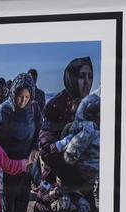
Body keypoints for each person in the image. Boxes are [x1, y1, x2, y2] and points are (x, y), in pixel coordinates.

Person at [39, 57, 94, 193]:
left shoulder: (91, 106)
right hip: (57, 182)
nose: (87, 81)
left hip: (84, 184)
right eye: (82, 76)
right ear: (72, 78)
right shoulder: (57, 105)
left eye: (90, 76)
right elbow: (46, 149)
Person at [0, 72, 42, 212]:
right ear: (13, 92)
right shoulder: (4, 110)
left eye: (27, 97)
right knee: (6, 211)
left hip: (26, 169)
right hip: (7, 171)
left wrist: (35, 148)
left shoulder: (34, 108)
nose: (23, 101)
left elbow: (39, 131)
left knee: (21, 208)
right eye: (20, 96)